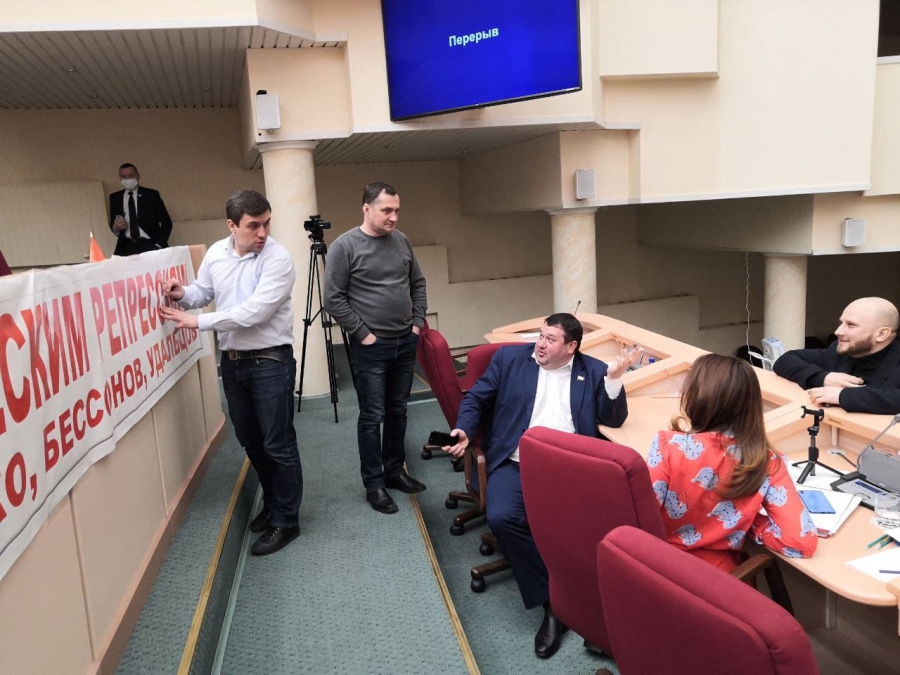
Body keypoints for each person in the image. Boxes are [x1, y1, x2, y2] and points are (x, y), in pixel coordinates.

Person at [443, 313, 637, 659]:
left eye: (550, 339)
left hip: (571, 470)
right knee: (501, 518)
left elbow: (613, 418)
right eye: (540, 336)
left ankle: (598, 609)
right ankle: (553, 606)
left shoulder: (593, 370)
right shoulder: (509, 360)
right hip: (515, 463)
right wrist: (465, 429)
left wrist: (614, 380)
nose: (540, 344)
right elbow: (476, 399)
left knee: (598, 528)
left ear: (571, 347)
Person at [159, 189, 303, 556]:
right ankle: (274, 503)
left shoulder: (278, 259)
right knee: (251, 440)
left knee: (278, 443)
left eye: (266, 224)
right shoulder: (216, 254)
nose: (263, 233)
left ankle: (287, 520)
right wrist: (182, 294)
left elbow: (256, 312)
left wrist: (198, 322)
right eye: (254, 226)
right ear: (231, 225)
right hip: (234, 363)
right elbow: (203, 291)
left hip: (270, 362)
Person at [648, 354, 818, 572]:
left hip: (658, 569)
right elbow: (800, 542)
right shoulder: (767, 462)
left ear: (696, 397)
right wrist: (743, 520)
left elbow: (641, 516)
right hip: (717, 580)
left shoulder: (668, 446)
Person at [323, 182, 428, 515]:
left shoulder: (402, 241)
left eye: (396, 210)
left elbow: (417, 283)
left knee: (398, 410)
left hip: (405, 340)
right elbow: (332, 299)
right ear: (367, 209)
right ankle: (374, 484)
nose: (393, 217)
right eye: (386, 210)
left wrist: (417, 323)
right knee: (372, 416)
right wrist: (363, 333)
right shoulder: (344, 246)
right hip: (371, 347)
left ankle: (394, 471)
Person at [773, 297, 900, 414]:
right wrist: (822, 377)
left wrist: (842, 396)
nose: (838, 331)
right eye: (841, 323)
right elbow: (785, 360)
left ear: (882, 334)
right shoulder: (838, 351)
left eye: (851, 325)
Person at [108, 162, 173, 256]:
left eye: (131, 175)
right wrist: (116, 227)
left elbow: (166, 223)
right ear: (120, 178)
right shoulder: (115, 197)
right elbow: (113, 224)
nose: (127, 179)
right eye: (124, 176)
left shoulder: (151, 195)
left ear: (138, 176)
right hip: (126, 247)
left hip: (150, 244)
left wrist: (158, 244)